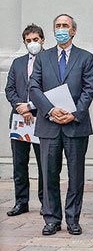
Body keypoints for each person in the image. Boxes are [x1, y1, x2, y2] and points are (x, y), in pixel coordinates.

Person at [29, 14, 93, 236]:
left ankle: (73, 219)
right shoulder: (42, 58)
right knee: (48, 173)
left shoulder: (86, 57)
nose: (61, 29)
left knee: (76, 174)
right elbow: (34, 87)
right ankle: (51, 219)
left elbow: (88, 90)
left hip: (75, 125)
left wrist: (74, 113)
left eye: (65, 26)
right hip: (49, 124)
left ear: (73, 31)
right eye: (57, 26)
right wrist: (50, 110)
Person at [5, 24, 45, 217]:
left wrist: (32, 107)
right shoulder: (18, 63)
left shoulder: (49, 60)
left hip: (41, 119)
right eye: (28, 41)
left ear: (42, 40)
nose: (32, 44)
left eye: (35, 40)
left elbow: (50, 90)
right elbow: (9, 89)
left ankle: (46, 201)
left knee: (44, 163)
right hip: (19, 120)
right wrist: (20, 106)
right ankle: (21, 201)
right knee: (19, 163)